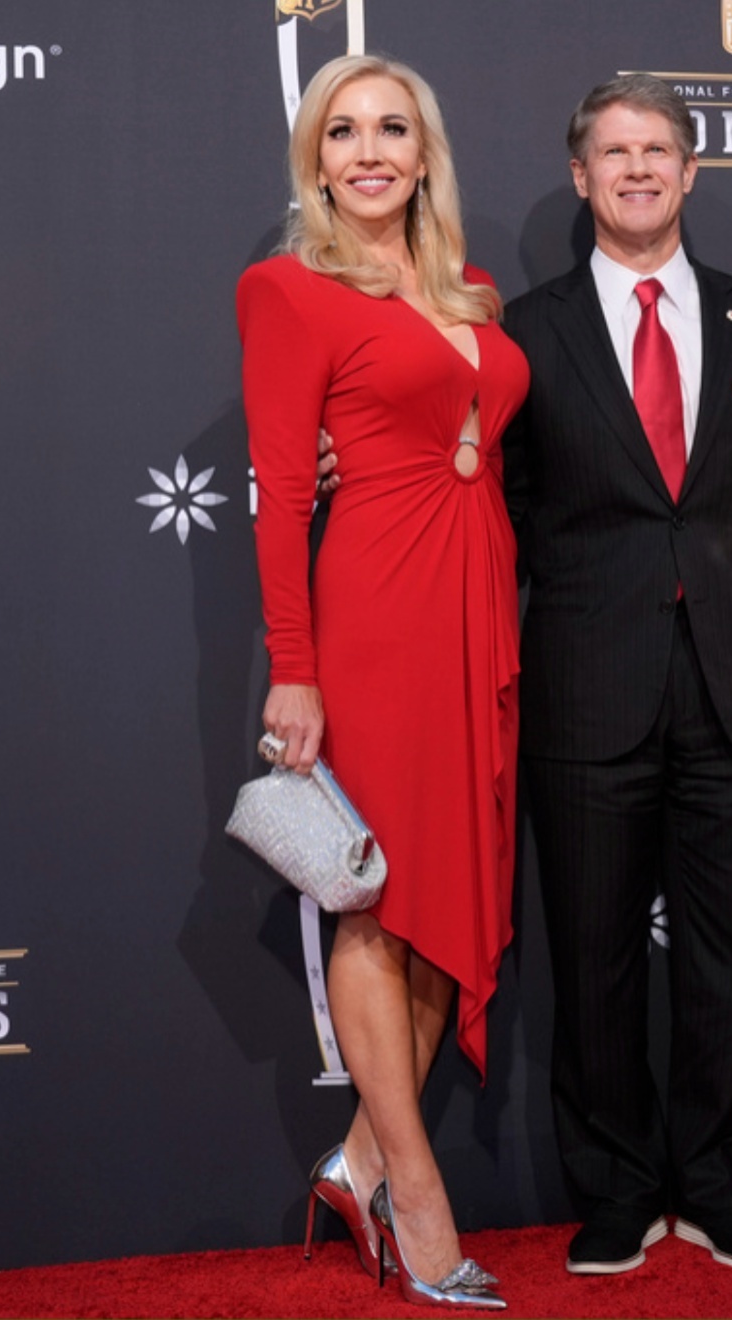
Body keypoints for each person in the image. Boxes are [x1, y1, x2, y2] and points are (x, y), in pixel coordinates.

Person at [495, 73, 732, 1276]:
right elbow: (487, 499)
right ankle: (617, 1190)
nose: (636, 170)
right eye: (612, 153)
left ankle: (720, 1188)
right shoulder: (525, 331)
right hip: (586, 683)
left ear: (690, 171)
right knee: (595, 953)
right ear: (580, 178)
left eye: (657, 150)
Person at [238, 53, 524, 1310]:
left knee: (440, 917)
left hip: (476, 609)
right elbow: (282, 498)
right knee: (380, 904)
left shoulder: (474, 292)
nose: (367, 151)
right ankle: (416, 1194)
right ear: (315, 160)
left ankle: (355, 1164)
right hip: (373, 616)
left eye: (391, 129)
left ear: (424, 153)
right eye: (340, 131)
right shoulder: (287, 291)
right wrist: (293, 673)